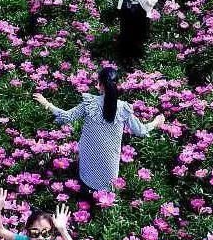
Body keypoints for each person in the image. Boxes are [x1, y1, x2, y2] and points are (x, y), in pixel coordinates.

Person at [33, 67, 164, 199]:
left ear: (100, 85)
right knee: (106, 196)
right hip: (109, 163)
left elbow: (67, 117)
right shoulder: (123, 108)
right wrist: (155, 122)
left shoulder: (90, 104)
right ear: (118, 85)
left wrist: (46, 103)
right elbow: (140, 130)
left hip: (88, 159)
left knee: (84, 191)